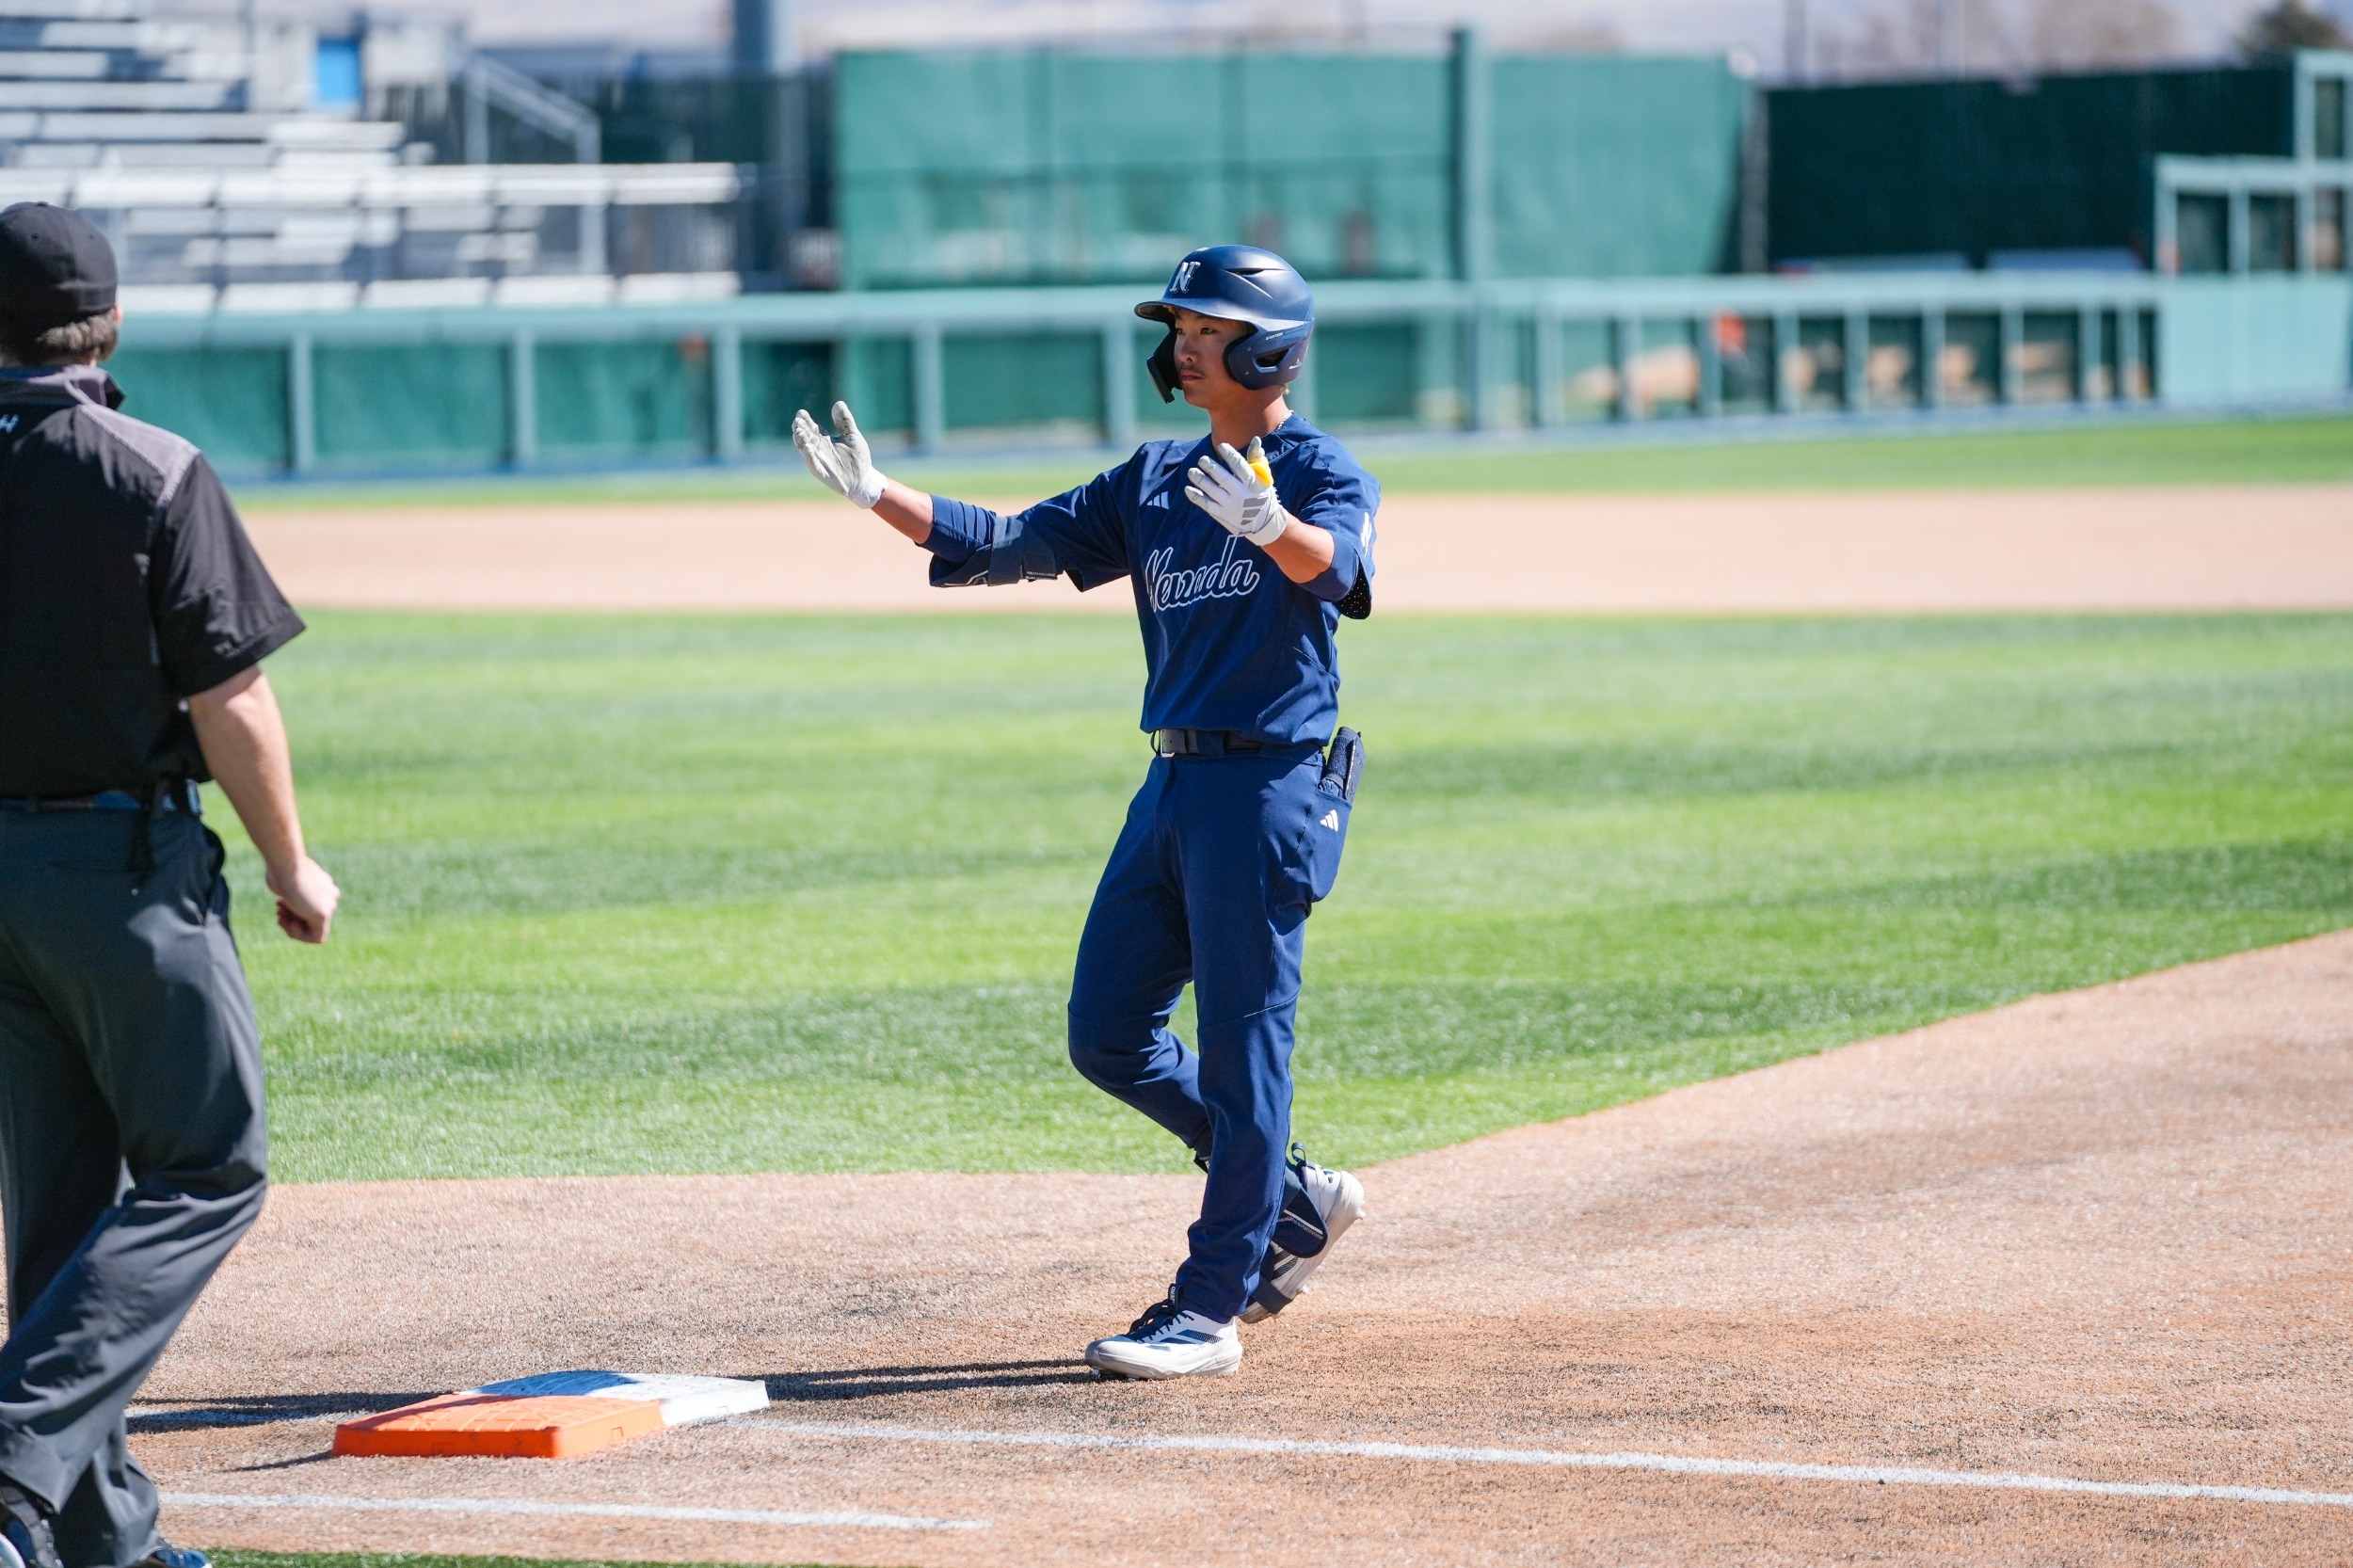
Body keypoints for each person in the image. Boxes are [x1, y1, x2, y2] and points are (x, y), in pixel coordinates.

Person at [793, 244, 1374, 1381]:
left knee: (1249, 1049)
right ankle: (1291, 1196)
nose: (1184, 344)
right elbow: (1016, 541)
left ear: (1267, 346)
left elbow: (1341, 570)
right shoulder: (1155, 477)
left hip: (1266, 788)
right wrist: (882, 499)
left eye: (1207, 327)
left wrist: (1270, 525)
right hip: (1168, 783)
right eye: (1180, 327)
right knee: (1106, 1032)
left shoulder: (1314, 466)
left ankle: (1210, 1306)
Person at [0, 203, 339, 1568]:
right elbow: (231, 698)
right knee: (210, 1161)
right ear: (113, 320)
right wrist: (289, 860)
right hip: (124, 872)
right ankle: (18, 1465)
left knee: (69, 1205)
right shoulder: (152, 465)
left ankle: (102, 1546)